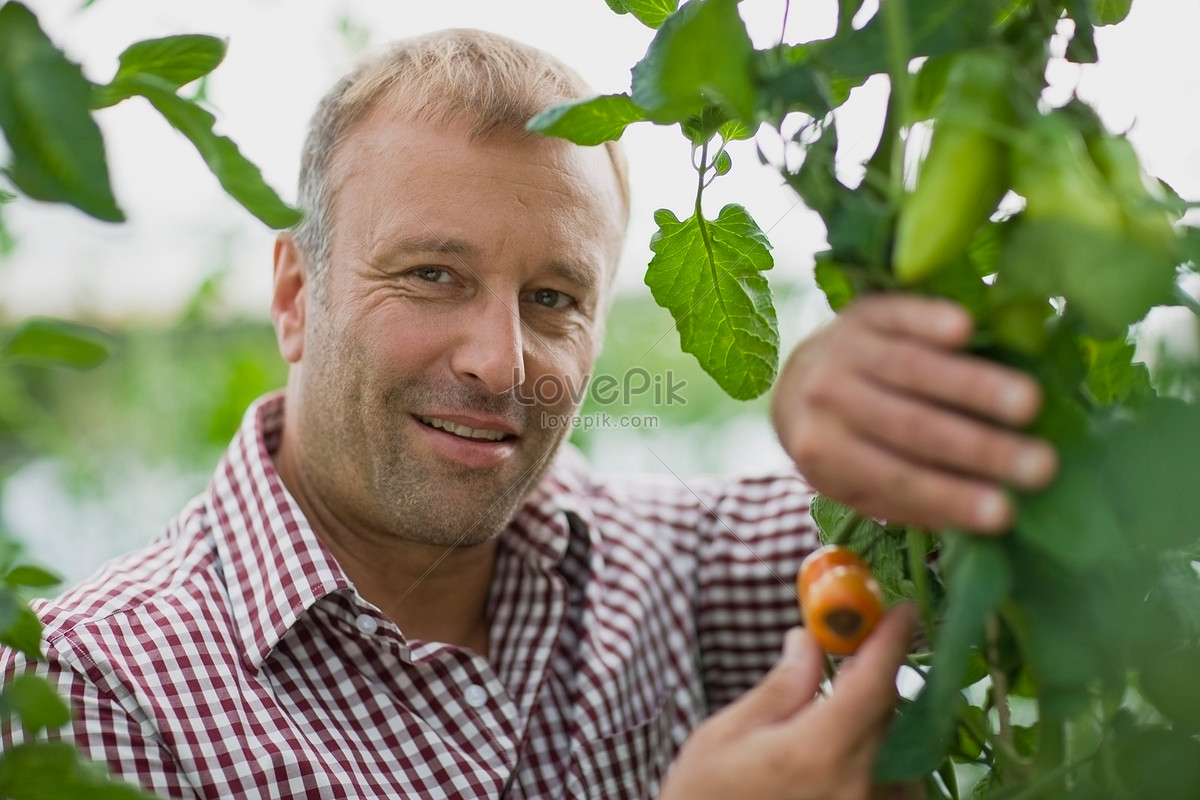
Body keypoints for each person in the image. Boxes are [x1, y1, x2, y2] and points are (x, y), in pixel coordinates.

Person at [0, 29, 1056, 800]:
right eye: (430, 273)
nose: (500, 362)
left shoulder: (649, 560)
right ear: (293, 295)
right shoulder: (99, 682)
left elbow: (973, 534)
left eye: (553, 298)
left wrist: (862, 397)